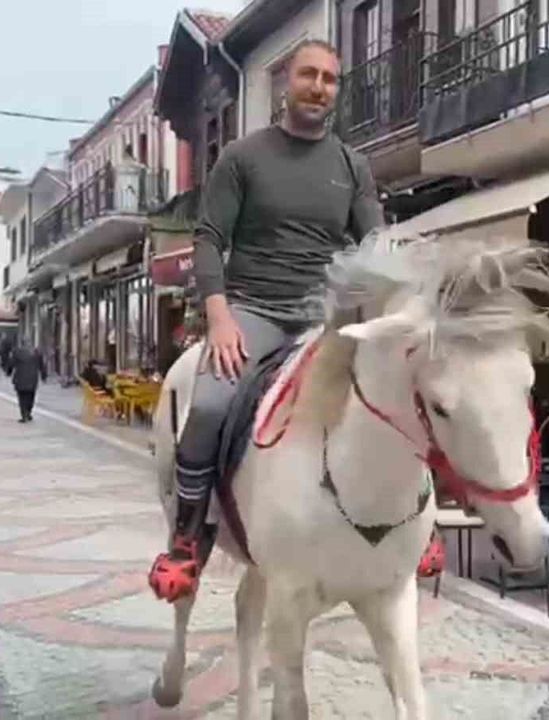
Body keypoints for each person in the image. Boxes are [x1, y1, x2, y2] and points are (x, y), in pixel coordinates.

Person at [149, 39, 400, 602]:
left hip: (323, 318)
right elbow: (209, 239)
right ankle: (188, 536)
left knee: (396, 396)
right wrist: (219, 318)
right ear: (287, 80)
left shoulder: (352, 166)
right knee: (208, 406)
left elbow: (374, 245)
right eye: (309, 74)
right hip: (253, 312)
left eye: (329, 79)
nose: (318, 87)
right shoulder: (242, 156)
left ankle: (409, 527)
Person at [7, 342, 47, 422]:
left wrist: (9, 372)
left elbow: (11, 364)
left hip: (20, 377)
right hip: (32, 378)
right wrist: (44, 376)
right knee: (31, 396)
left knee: (22, 398)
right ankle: (28, 412)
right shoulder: (36, 352)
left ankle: (24, 414)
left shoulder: (16, 352)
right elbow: (42, 365)